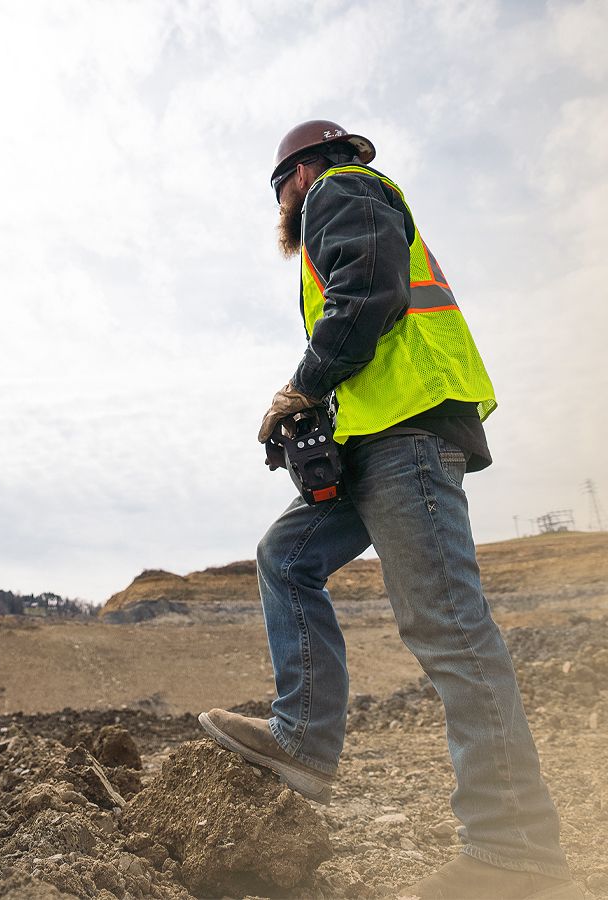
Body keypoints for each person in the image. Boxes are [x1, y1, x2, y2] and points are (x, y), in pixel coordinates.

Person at [197, 120, 580, 899]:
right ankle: (302, 740)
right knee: (286, 557)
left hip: (408, 438)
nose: (281, 207)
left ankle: (517, 856)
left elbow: (367, 294)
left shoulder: (340, 192)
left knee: (447, 626)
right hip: (375, 442)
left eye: (278, 190)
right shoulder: (348, 202)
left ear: (296, 175)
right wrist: (325, 422)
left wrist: (303, 384)